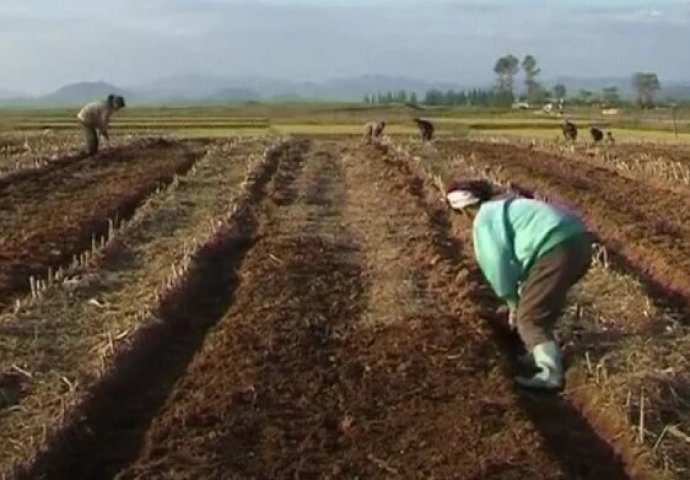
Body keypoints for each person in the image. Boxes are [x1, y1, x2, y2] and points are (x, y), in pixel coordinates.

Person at [446, 178, 592, 390]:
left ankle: (550, 375)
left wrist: (512, 301)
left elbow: (497, 266)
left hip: (555, 247)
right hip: (578, 240)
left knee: (529, 317)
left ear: (465, 210)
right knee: (539, 306)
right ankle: (539, 352)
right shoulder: (507, 205)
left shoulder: (485, 218)